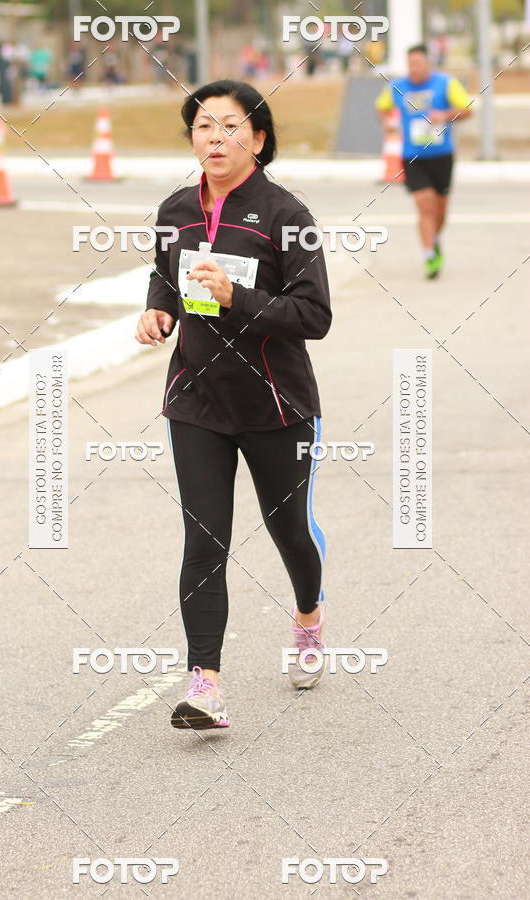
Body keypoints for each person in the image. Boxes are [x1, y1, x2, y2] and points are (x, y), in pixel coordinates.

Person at [135, 80, 332, 730]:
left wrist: (235, 300)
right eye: (202, 127)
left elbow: (314, 314)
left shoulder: (286, 215)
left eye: (229, 127)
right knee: (204, 539)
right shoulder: (174, 208)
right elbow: (165, 276)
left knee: (291, 534)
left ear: (259, 138)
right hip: (196, 399)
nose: (214, 139)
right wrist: (158, 312)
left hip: (277, 404)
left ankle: (308, 618)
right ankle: (206, 686)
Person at [375, 43, 473, 279]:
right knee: (425, 204)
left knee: (440, 208)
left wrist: (445, 115)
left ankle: (435, 239)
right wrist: (388, 123)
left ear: (428, 63)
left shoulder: (446, 84)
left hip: (442, 155)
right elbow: (381, 108)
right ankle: (429, 255)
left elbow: (467, 109)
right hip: (413, 156)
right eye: (410, 64)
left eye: (418, 64)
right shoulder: (397, 87)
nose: (414, 69)